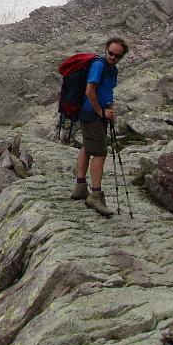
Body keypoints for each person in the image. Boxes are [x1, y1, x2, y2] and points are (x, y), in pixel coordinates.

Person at [71, 37, 128, 216]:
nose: (113, 57)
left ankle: (80, 187)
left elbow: (107, 91)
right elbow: (90, 91)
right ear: (106, 49)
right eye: (110, 53)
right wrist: (101, 113)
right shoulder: (99, 65)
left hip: (96, 113)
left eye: (117, 56)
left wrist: (109, 109)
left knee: (87, 147)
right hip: (91, 113)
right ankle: (95, 195)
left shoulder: (113, 69)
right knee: (100, 153)